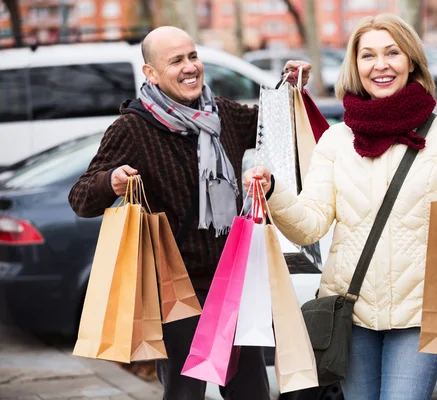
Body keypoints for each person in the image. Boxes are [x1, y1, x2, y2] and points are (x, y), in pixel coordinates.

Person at [243, 14, 437, 400]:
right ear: (355, 65)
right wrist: (274, 190)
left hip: (422, 312)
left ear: (411, 61)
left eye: (392, 53)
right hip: (352, 313)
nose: (380, 65)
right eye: (368, 55)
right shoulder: (336, 141)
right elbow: (309, 226)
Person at [68, 26, 311, 400]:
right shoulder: (132, 129)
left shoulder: (223, 115)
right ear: (150, 73)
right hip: (177, 289)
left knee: (250, 392)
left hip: (234, 281)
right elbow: (80, 198)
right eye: (176, 60)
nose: (189, 67)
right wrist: (110, 182)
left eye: (193, 56)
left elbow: (274, 127)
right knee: (185, 393)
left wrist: (291, 86)